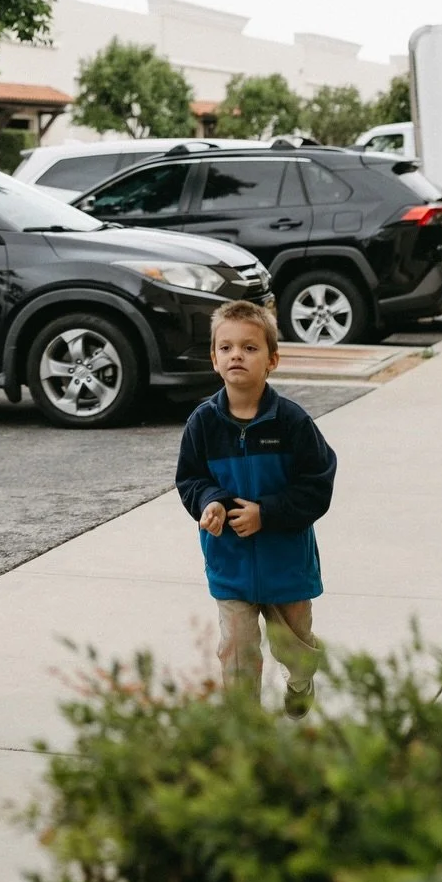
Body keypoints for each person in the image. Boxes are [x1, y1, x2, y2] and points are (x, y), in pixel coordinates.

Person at [176, 300, 336, 716]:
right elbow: (191, 479)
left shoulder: (292, 423)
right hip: (230, 563)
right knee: (237, 651)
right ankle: (245, 723)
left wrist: (267, 513)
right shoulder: (203, 424)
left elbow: (317, 485)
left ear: (272, 360)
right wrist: (209, 503)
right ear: (214, 359)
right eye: (226, 348)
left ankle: (300, 685)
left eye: (249, 348)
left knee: (295, 644)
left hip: (286, 563)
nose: (236, 356)